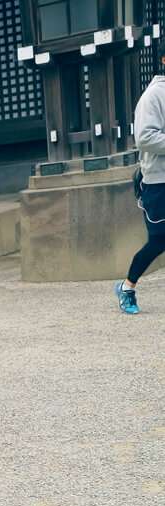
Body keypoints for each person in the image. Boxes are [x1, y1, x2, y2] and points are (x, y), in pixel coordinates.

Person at [118, 52, 165, 314]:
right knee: (159, 240)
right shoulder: (153, 96)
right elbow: (145, 138)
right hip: (158, 181)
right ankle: (127, 287)